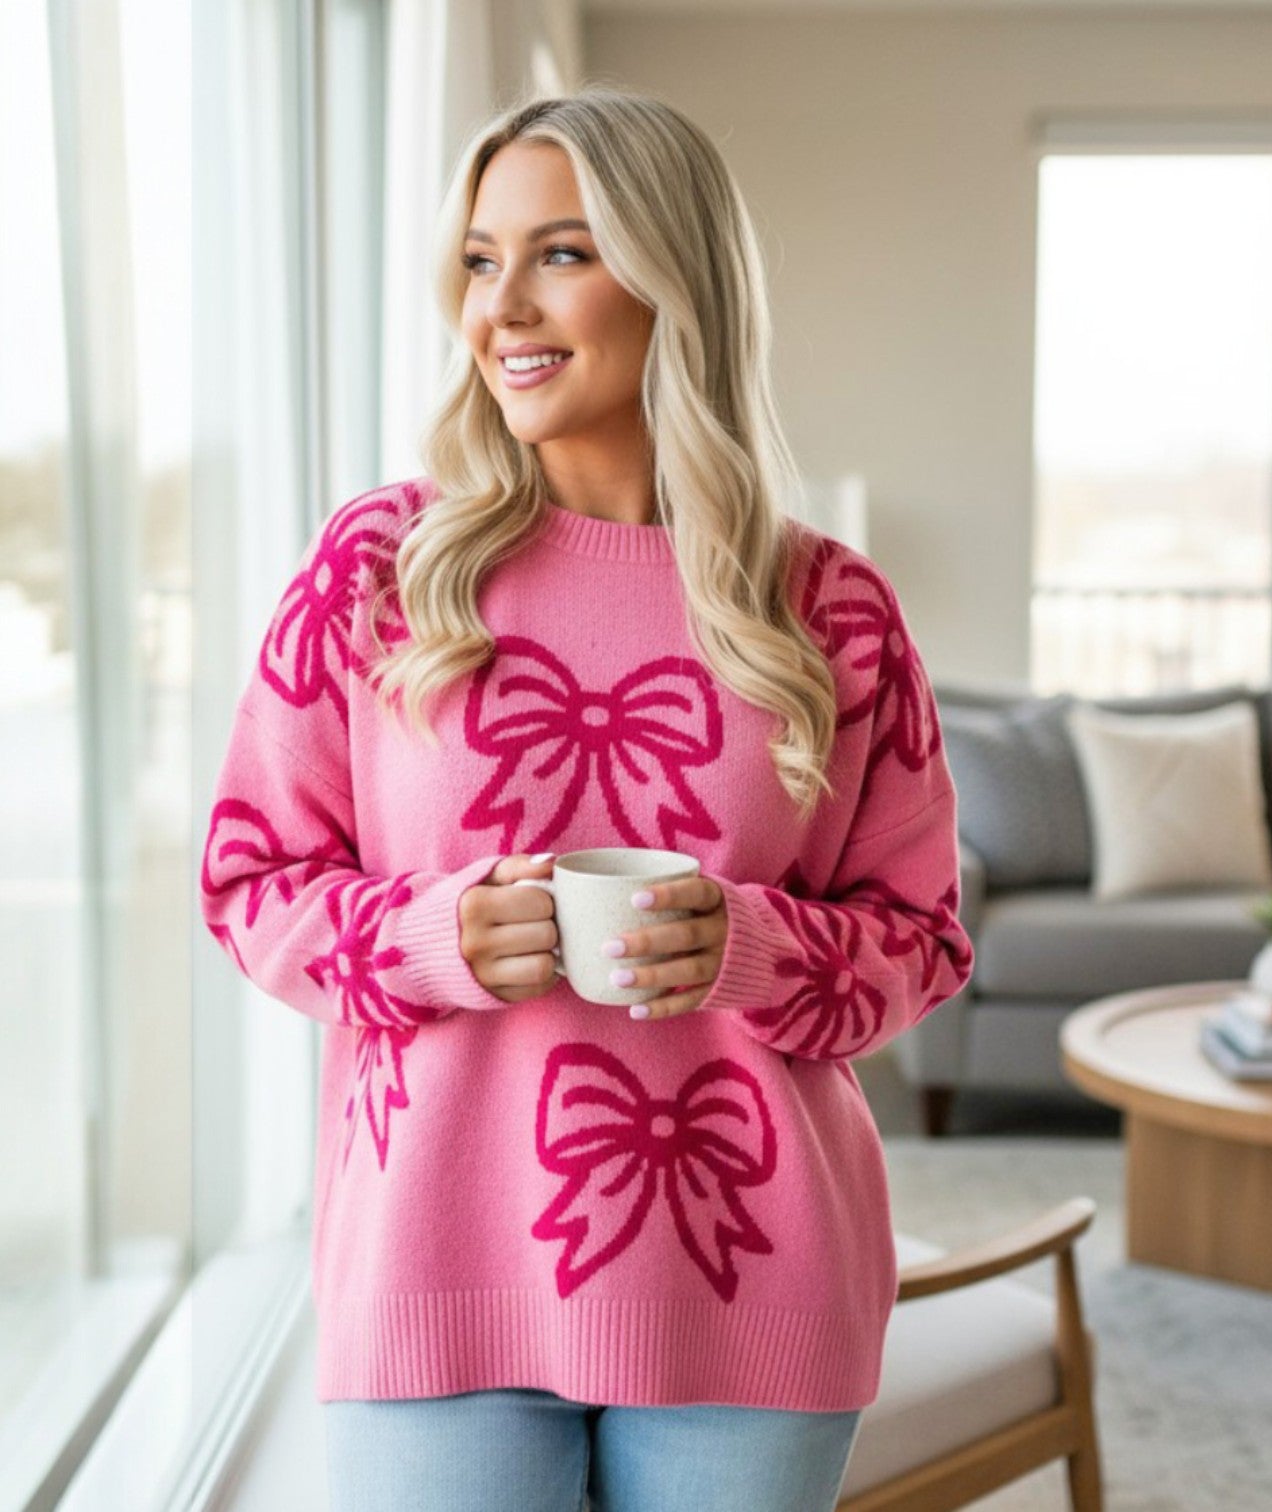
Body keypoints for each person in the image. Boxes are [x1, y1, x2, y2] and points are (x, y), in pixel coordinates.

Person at [198, 84, 974, 1512]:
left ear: (674, 274)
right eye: (481, 262)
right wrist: (429, 940)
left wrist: (748, 947)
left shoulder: (832, 611)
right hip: (436, 1267)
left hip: (757, 1285)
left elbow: (923, 943)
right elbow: (248, 884)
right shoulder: (378, 567)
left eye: (559, 251)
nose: (503, 306)